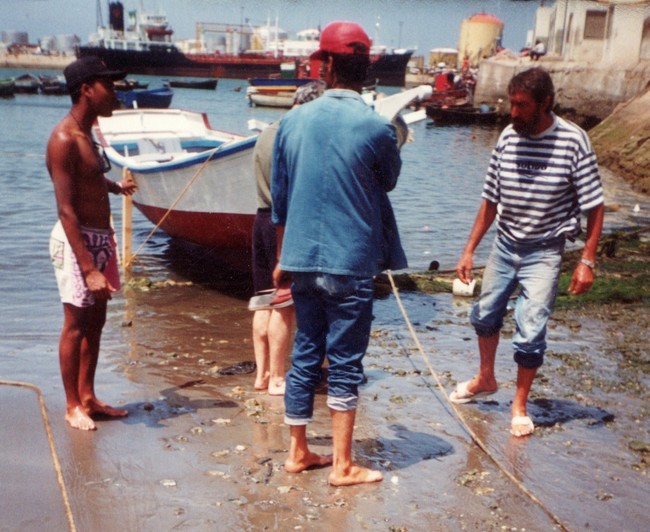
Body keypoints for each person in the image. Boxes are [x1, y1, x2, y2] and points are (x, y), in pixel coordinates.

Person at [272, 21, 407, 486]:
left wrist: (281, 257)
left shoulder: (291, 121)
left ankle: (298, 452)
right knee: (345, 361)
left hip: (301, 256)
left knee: (306, 351)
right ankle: (343, 465)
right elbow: (388, 180)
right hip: (350, 260)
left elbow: (280, 198)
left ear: (325, 66)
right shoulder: (377, 127)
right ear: (365, 70)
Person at [450, 67, 605, 437]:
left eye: (521, 105)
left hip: (545, 250)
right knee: (485, 314)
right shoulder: (507, 136)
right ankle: (486, 377)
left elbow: (595, 205)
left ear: (545, 103)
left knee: (531, 328)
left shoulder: (573, 141)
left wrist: (587, 260)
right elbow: (490, 198)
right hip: (505, 243)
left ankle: (519, 405)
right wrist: (469, 249)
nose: (513, 112)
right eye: (511, 103)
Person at [47, 56, 137, 431]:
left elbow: (90, 179)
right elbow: (67, 210)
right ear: (86, 89)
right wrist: (88, 268)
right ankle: (71, 406)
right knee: (75, 323)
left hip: (102, 239)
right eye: (108, 86)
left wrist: (116, 187)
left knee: (97, 322)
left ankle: (88, 397)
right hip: (76, 243)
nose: (115, 93)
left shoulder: (88, 135)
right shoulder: (63, 138)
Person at [250, 80, 326, 396]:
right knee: (284, 302)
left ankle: (262, 374)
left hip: (260, 219)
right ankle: (280, 377)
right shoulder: (297, 135)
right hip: (284, 223)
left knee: (263, 300)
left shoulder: (268, 131)